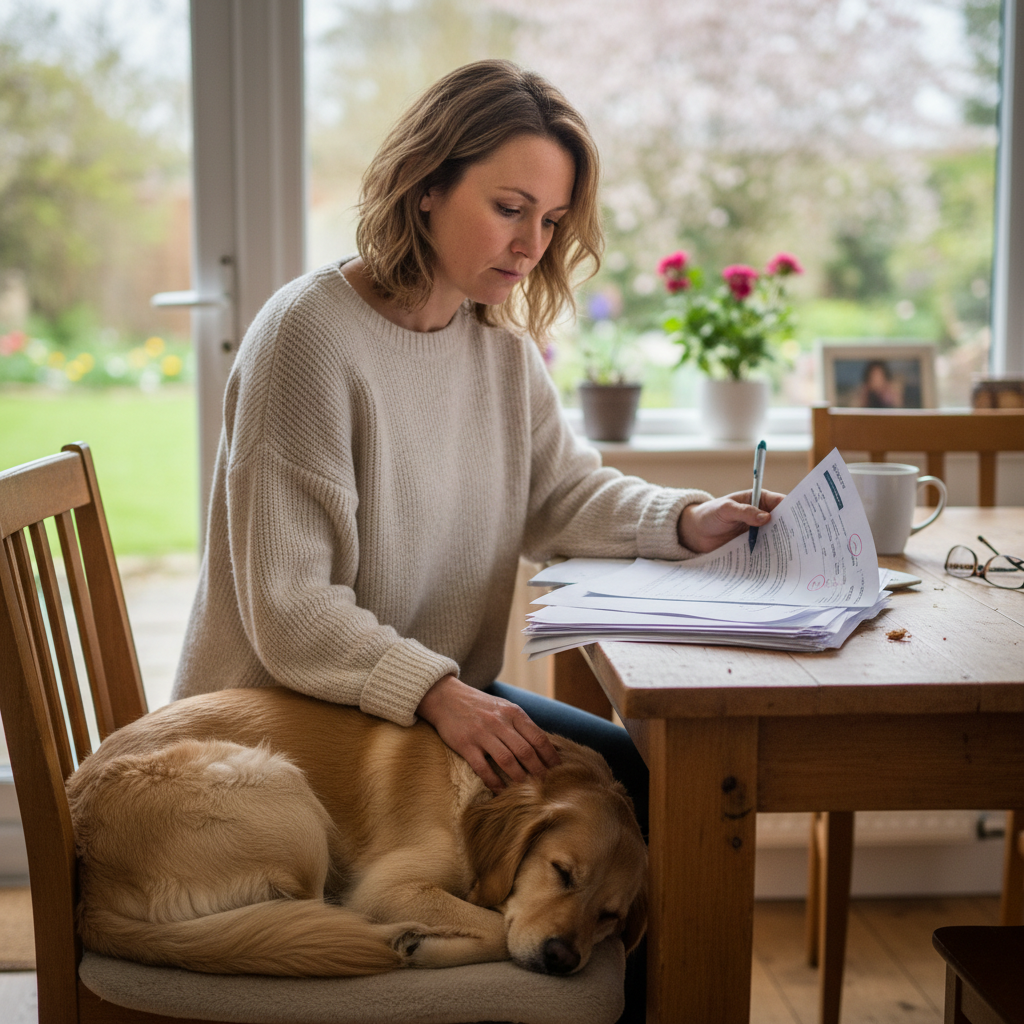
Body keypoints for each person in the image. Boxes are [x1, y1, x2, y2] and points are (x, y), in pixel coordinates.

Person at [172, 58, 783, 1021]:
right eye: (510, 208)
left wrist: (683, 518)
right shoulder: (308, 339)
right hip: (299, 729)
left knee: (640, 782)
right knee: (628, 777)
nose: (533, 243)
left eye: (550, 221)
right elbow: (289, 610)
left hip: (426, 711)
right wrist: (439, 692)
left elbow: (562, 493)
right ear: (425, 188)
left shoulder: (494, 343)